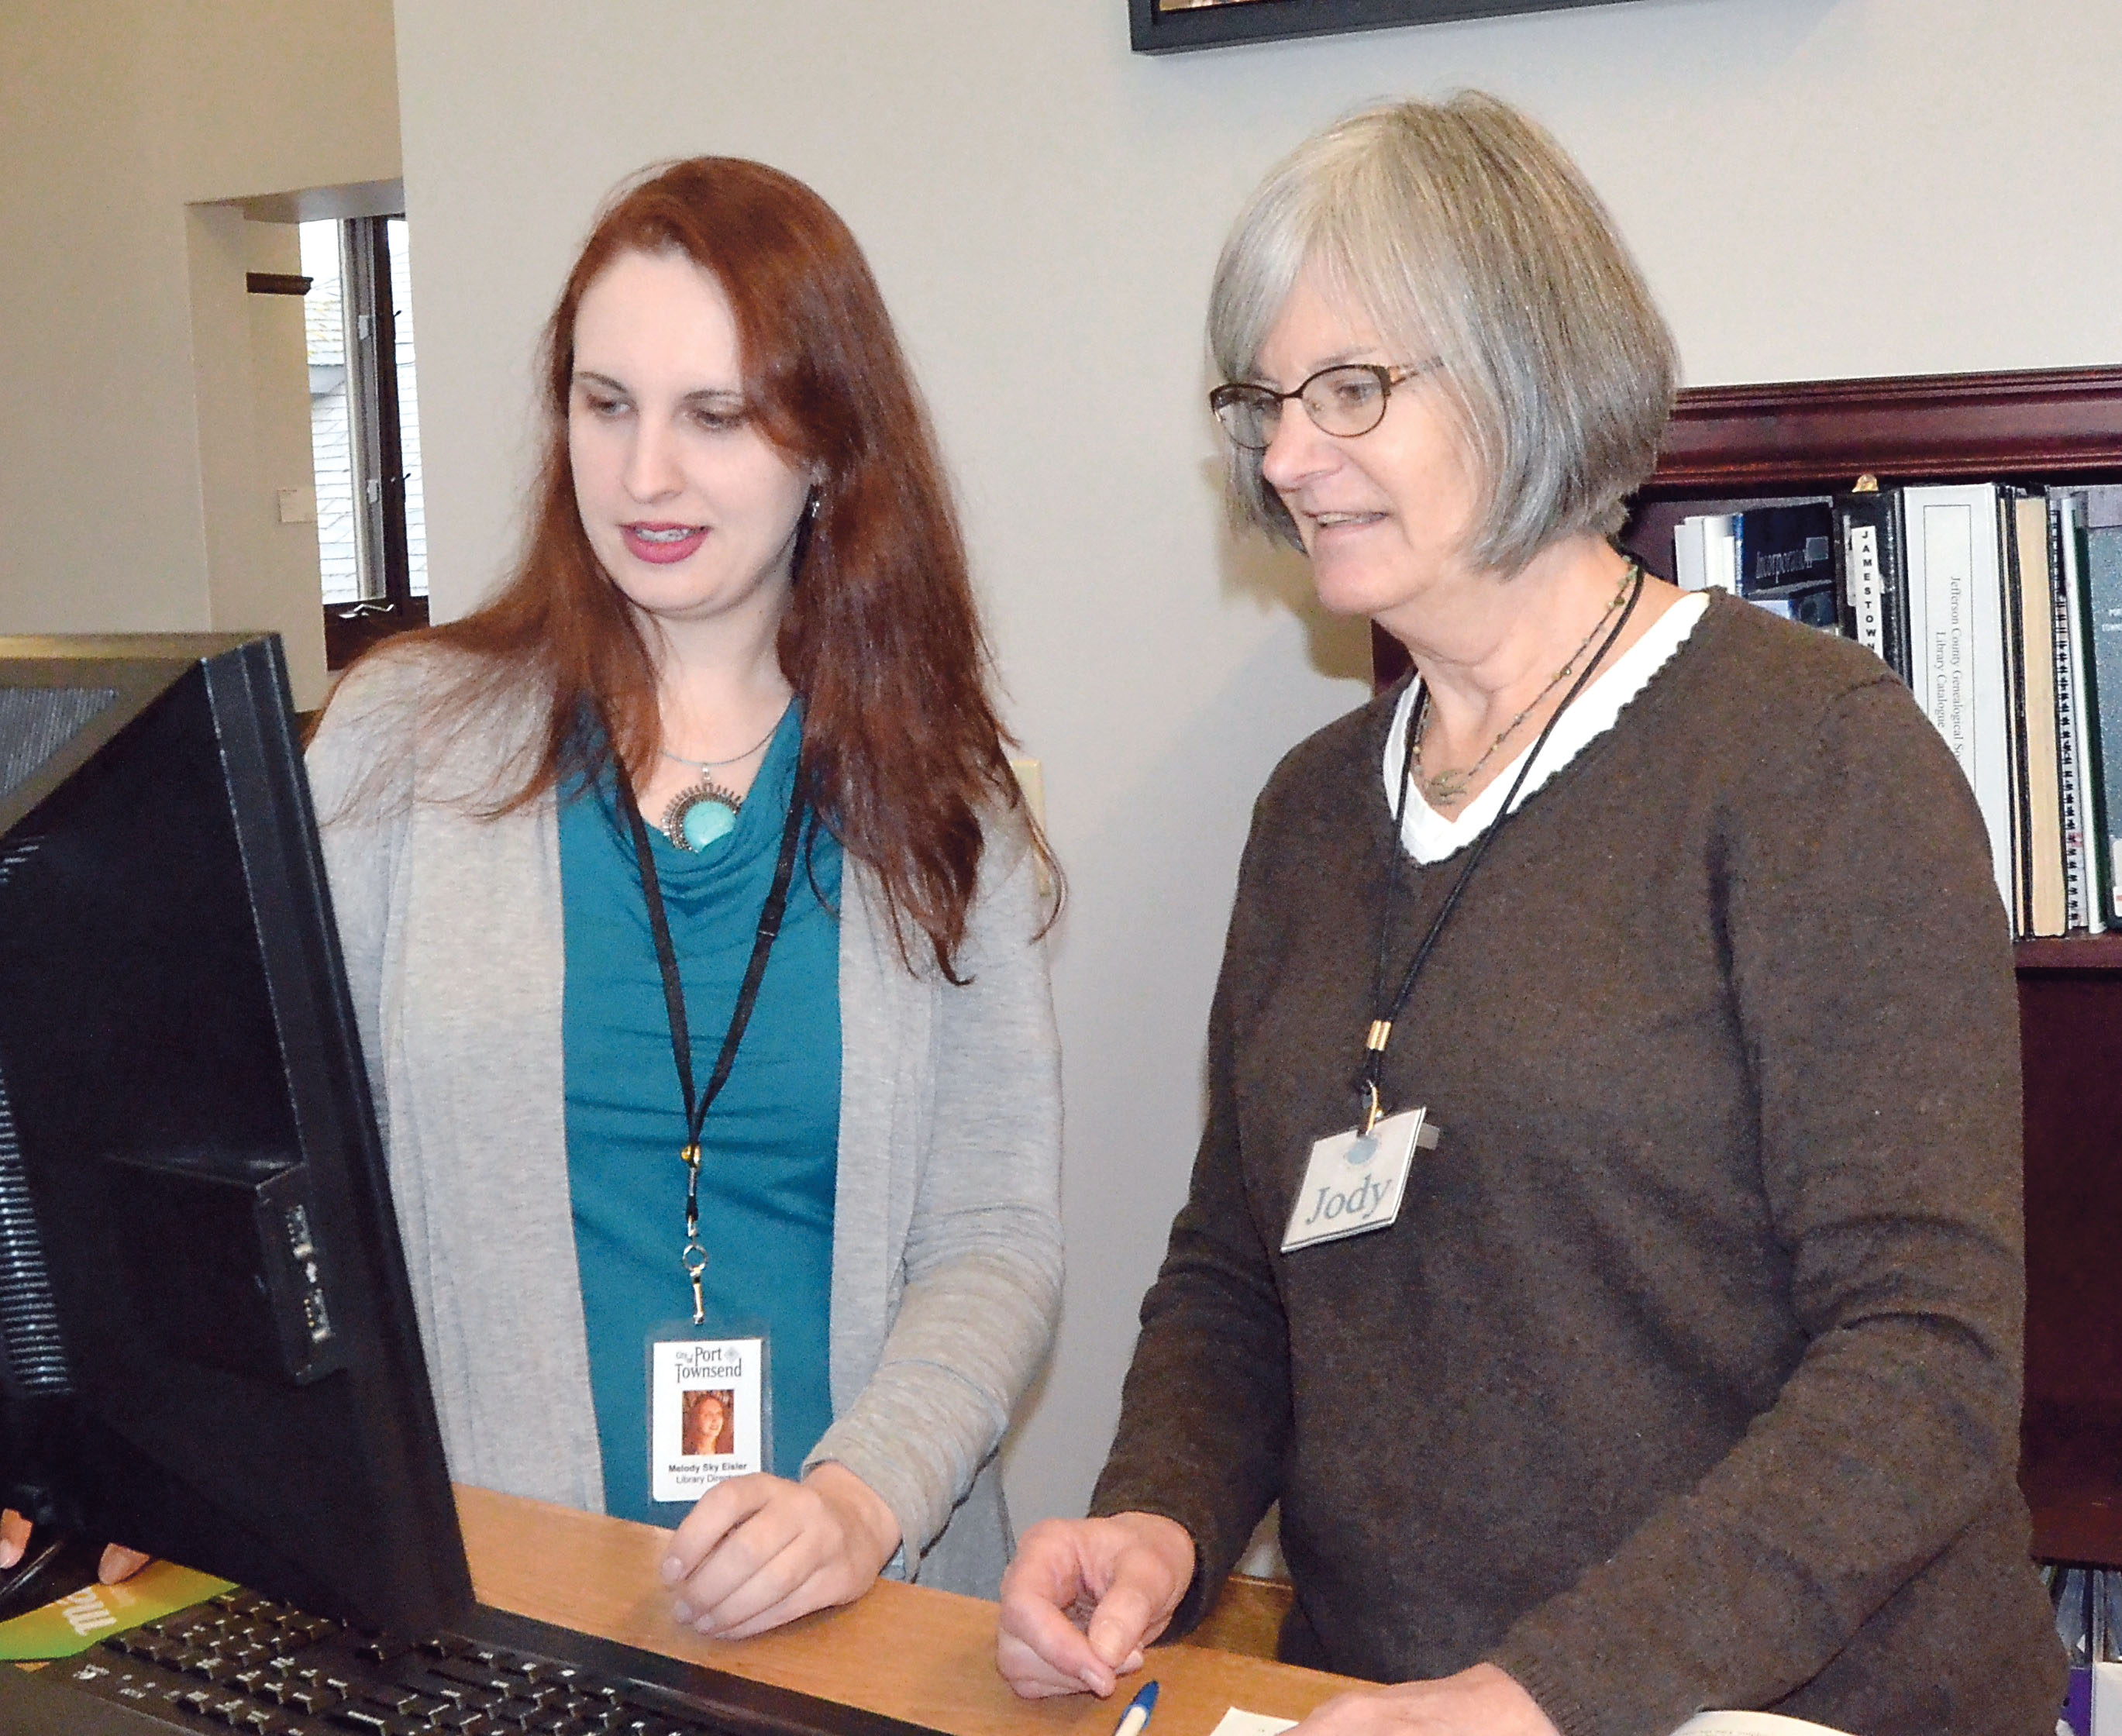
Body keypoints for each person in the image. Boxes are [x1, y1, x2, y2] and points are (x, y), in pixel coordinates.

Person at [997, 94, 2062, 1734]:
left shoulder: (1813, 764)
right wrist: (1159, 1516)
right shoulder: (1304, 815)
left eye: (1350, 388)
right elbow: (1231, 1276)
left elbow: (1920, 1367)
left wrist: (1542, 1692)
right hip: (1385, 1701)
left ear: (1527, 364)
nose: (1284, 455)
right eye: (1264, 401)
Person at [301, 157, 1063, 1638]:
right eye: (606, 404)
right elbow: (265, 1174)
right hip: (497, 1604)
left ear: (830, 448)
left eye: (715, 416)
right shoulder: (404, 744)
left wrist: (861, 1500)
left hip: (868, 1614)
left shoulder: (947, 809)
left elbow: (993, 1234)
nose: (645, 475)